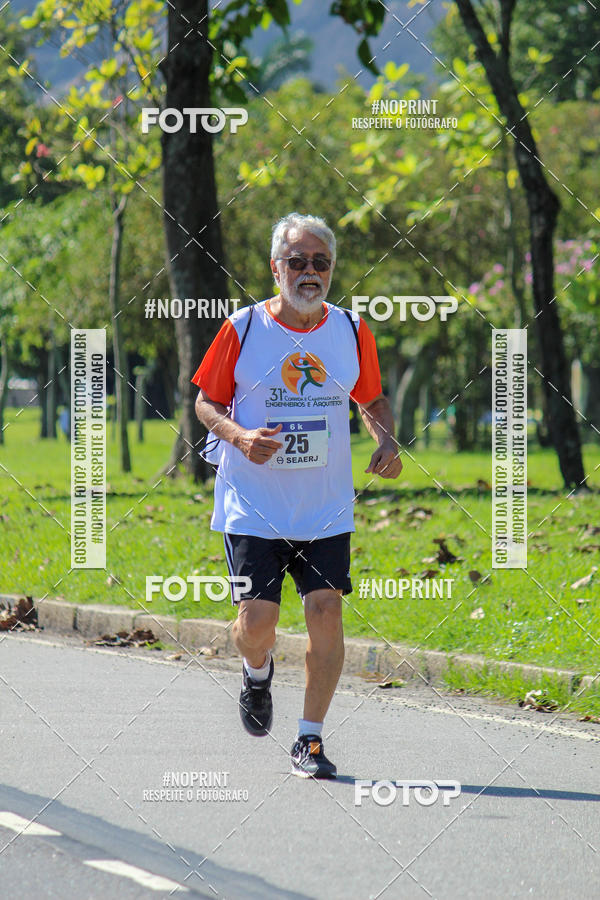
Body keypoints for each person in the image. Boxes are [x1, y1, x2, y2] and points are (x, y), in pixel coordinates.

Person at [192, 212, 402, 779]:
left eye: (321, 262)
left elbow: (371, 400)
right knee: (256, 625)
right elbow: (206, 402)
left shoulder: (351, 330)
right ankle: (256, 670)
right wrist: (239, 436)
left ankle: (309, 739)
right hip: (254, 506)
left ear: (331, 269)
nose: (310, 272)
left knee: (326, 611)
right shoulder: (242, 328)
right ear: (275, 268)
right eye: (298, 261)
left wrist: (386, 441)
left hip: (324, 507)